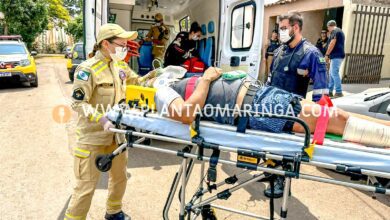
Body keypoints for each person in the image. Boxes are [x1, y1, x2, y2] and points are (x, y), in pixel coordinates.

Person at [153, 68, 390, 199]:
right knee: (336, 119)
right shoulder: (161, 89)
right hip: (259, 107)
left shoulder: (177, 81)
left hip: (260, 98)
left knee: (335, 115)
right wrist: (205, 79)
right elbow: (186, 113)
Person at [65, 23, 159, 220]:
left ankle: (113, 212)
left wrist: (157, 75)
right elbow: (77, 103)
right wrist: (101, 117)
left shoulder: (120, 66)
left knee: (119, 179)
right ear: (106, 44)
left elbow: (138, 82)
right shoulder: (87, 69)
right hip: (93, 138)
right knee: (85, 188)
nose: (125, 47)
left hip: (117, 137)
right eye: (122, 43)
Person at [267, 12, 328, 103]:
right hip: (272, 109)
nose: (281, 33)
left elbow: (321, 92)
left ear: (295, 28)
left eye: (284, 28)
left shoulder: (311, 54)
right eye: (280, 29)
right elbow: (269, 80)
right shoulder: (278, 52)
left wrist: (315, 114)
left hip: (293, 112)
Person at [325, 20, 345, 98]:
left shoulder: (335, 31)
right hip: (336, 56)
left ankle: (339, 92)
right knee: (331, 73)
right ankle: (329, 91)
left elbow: (332, 43)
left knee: (334, 73)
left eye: (328, 28)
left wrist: (327, 55)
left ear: (329, 26)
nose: (328, 29)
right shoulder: (339, 31)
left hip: (337, 56)